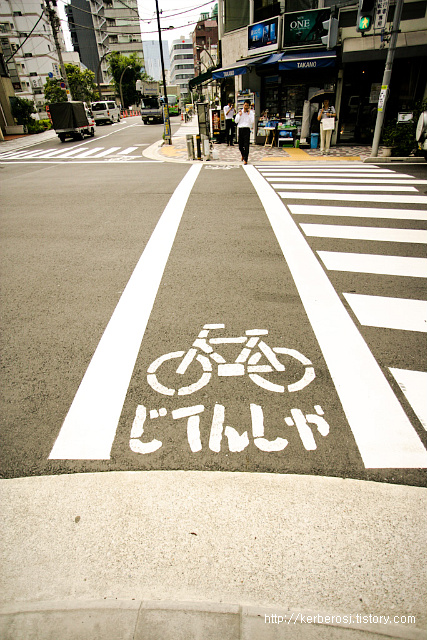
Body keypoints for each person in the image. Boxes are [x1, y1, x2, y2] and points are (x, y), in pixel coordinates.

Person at [235, 99, 254, 164]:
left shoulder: (251, 113)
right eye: (245, 105)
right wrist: (239, 115)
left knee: (246, 145)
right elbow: (236, 121)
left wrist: (249, 114)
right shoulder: (240, 112)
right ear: (243, 105)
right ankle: (243, 154)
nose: (246, 107)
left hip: (247, 129)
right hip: (240, 129)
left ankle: (246, 159)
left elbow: (252, 121)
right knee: (240, 145)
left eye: (247, 106)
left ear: (249, 106)